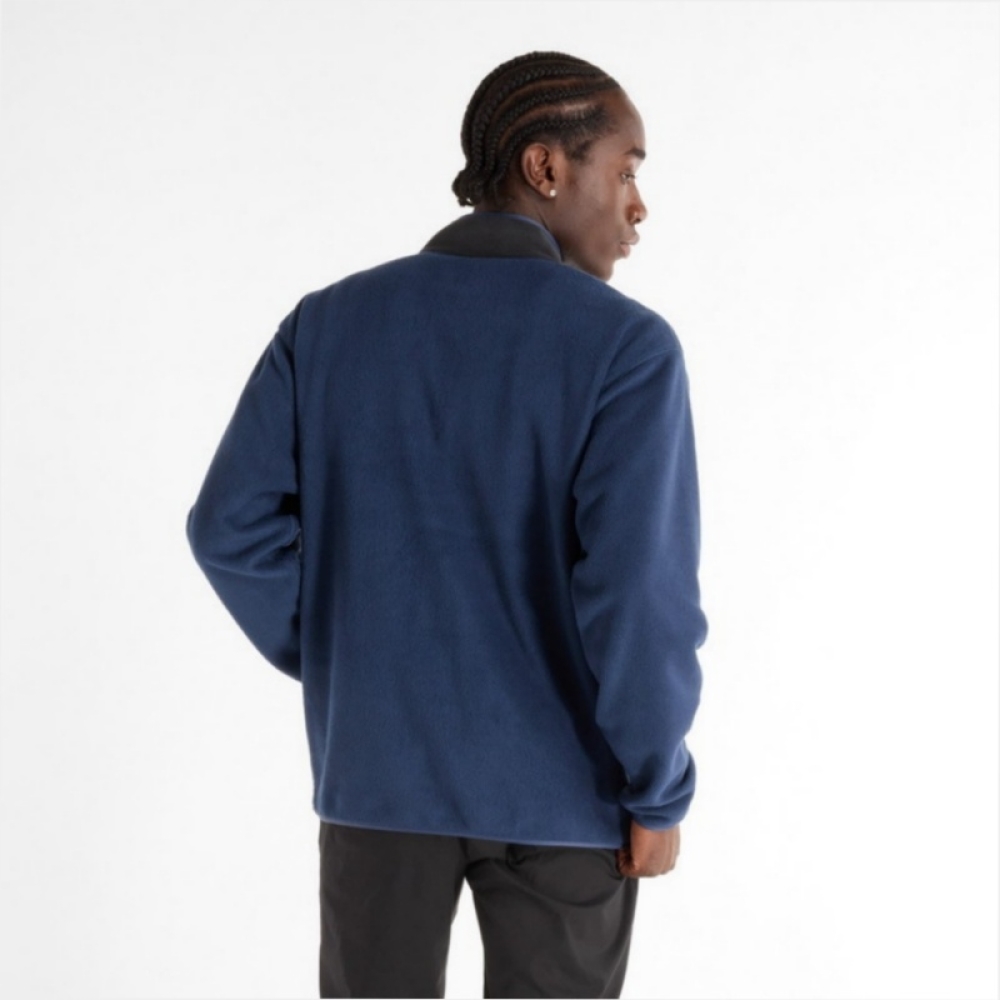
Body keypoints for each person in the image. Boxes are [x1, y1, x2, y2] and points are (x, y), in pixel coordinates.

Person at [186, 49, 708, 1000]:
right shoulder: (626, 347)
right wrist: (656, 789)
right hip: (567, 795)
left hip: (378, 783)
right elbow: (639, 597)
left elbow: (229, 529)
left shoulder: (326, 325)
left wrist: (355, 655)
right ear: (545, 168)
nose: (639, 207)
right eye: (626, 170)